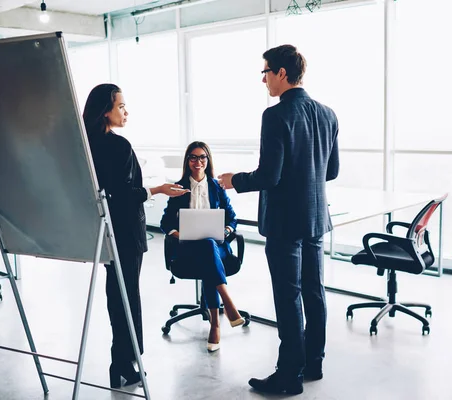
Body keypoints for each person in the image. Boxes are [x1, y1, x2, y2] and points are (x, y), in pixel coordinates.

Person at [218, 44, 340, 395]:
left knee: (288, 298)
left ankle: (289, 375)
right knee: (315, 292)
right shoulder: (328, 114)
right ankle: (313, 362)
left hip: (286, 223)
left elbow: (269, 177)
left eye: (266, 72)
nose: (264, 80)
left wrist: (235, 180)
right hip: (316, 219)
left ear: (282, 74)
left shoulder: (275, 115)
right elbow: (330, 171)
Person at [82, 83, 189, 388]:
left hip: (102, 231)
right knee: (128, 296)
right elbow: (126, 196)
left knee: (116, 294)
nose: (126, 112)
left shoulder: (85, 146)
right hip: (126, 233)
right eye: (121, 106)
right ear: (106, 110)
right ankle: (128, 362)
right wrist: (157, 188)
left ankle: (121, 361)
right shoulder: (118, 146)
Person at [160, 141, 246, 352]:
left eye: (202, 157)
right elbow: (165, 222)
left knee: (208, 247)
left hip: (216, 247)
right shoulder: (179, 188)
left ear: (208, 161)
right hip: (188, 249)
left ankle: (215, 324)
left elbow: (232, 218)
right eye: (193, 157)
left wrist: (226, 231)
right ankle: (226, 306)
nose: (198, 162)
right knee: (205, 249)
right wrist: (179, 234)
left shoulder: (217, 187)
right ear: (187, 161)